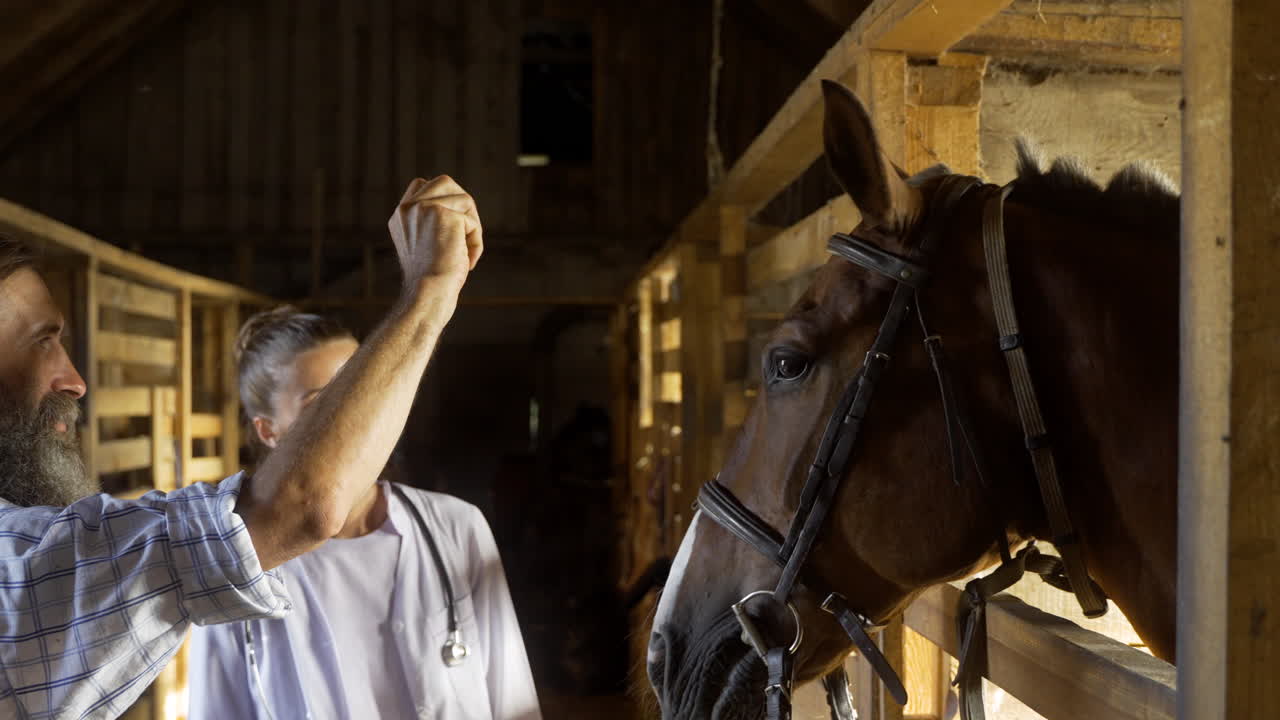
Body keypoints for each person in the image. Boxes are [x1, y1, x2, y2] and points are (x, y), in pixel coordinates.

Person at [0, 175, 482, 719]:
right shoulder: (17, 572)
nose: (75, 380)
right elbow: (297, 506)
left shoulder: (456, 527)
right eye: (42, 341)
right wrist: (431, 289)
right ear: (269, 432)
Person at [186, 307, 540, 720]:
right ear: (269, 431)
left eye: (364, 391)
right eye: (323, 403)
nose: (356, 418)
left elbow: (513, 700)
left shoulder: (457, 528)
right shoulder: (233, 570)